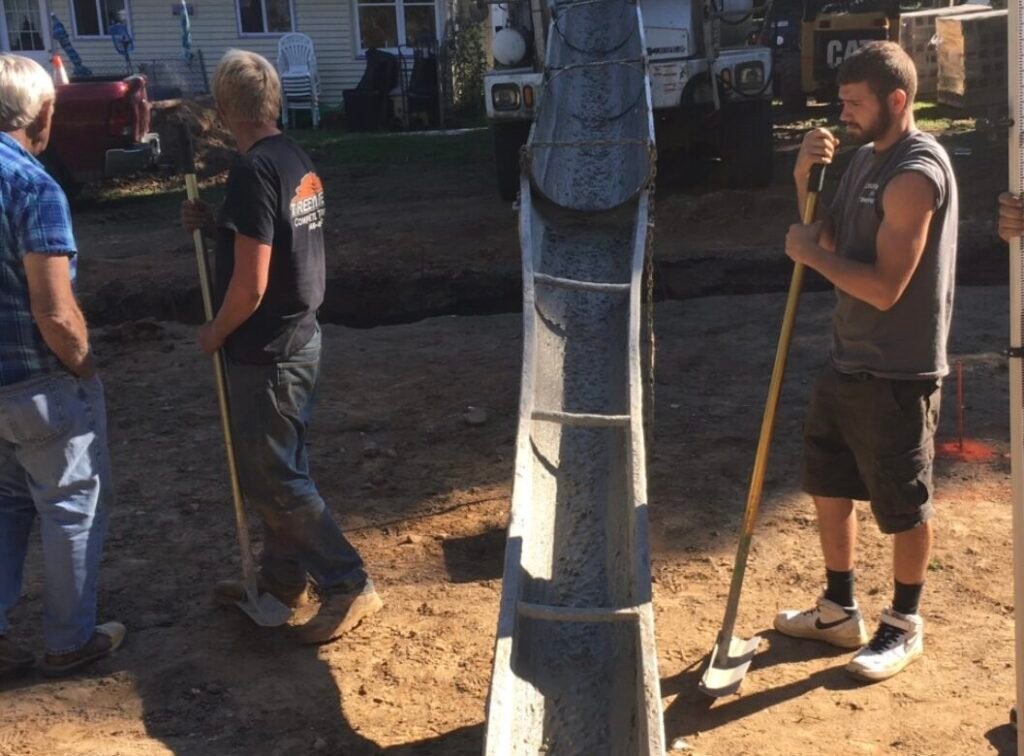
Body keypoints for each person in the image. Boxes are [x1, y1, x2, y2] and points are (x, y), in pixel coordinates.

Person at [181, 50, 381, 644]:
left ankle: (348, 582)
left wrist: (216, 331)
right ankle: (283, 578)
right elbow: (278, 238)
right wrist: (216, 225)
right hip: (299, 338)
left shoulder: (252, 171)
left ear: (224, 108)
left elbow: (252, 284)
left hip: (267, 350)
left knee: (272, 477)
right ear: (271, 100)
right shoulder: (293, 157)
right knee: (280, 467)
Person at [773, 41, 958, 682]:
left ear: (896, 100)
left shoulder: (915, 174)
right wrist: (804, 177)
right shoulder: (863, 162)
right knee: (828, 483)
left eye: (855, 103)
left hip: (899, 372)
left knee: (904, 505)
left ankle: (904, 623)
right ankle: (838, 610)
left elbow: (884, 288)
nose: (843, 113)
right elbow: (825, 236)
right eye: (842, 101)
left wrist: (812, 256)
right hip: (847, 357)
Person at [0, 54, 125, 677]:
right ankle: (69, 640)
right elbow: (53, 311)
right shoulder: (33, 187)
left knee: (4, 507)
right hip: (37, 386)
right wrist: (85, 367)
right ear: (43, 112)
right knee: (71, 506)